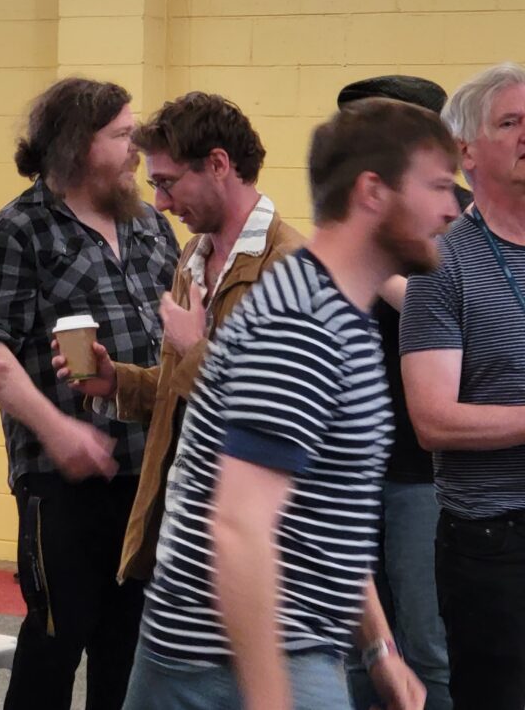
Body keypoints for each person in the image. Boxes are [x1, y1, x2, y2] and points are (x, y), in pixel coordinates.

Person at [123, 97, 459, 709]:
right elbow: (239, 527)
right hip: (237, 651)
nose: (451, 208)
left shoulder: (340, 318)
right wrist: (271, 696)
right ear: (373, 192)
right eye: (436, 186)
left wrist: (379, 649)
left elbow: (326, 507)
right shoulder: (303, 324)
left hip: (273, 643)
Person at [0, 76, 180, 710]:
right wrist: (58, 430)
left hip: (147, 474)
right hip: (61, 479)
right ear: (77, 144)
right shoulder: (17, 232)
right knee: (56, 644)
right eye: (122, 135)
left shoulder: (148, 225)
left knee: (130, 650)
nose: (137, 146)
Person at [54, 92, 303, 584]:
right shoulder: (193, 256)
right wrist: (117, 382)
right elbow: (180, 395)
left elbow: (278, 415)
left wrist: (194, 350)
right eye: (155, 186)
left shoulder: (291, 267)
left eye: (167, 184)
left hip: (253, 549)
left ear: (218, 164)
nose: (161, 204)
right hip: (182, 532)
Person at [400, 61, 525, 710]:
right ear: (465, 152)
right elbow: (434, 420)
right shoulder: (442, 260)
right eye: (511, 122)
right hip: (494, 540)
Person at [337, 74, 462, 710]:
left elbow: (447, 313)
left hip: (424, 471)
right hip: (353, 464)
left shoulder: (460, 217)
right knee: (360, 648)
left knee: (428, 642)